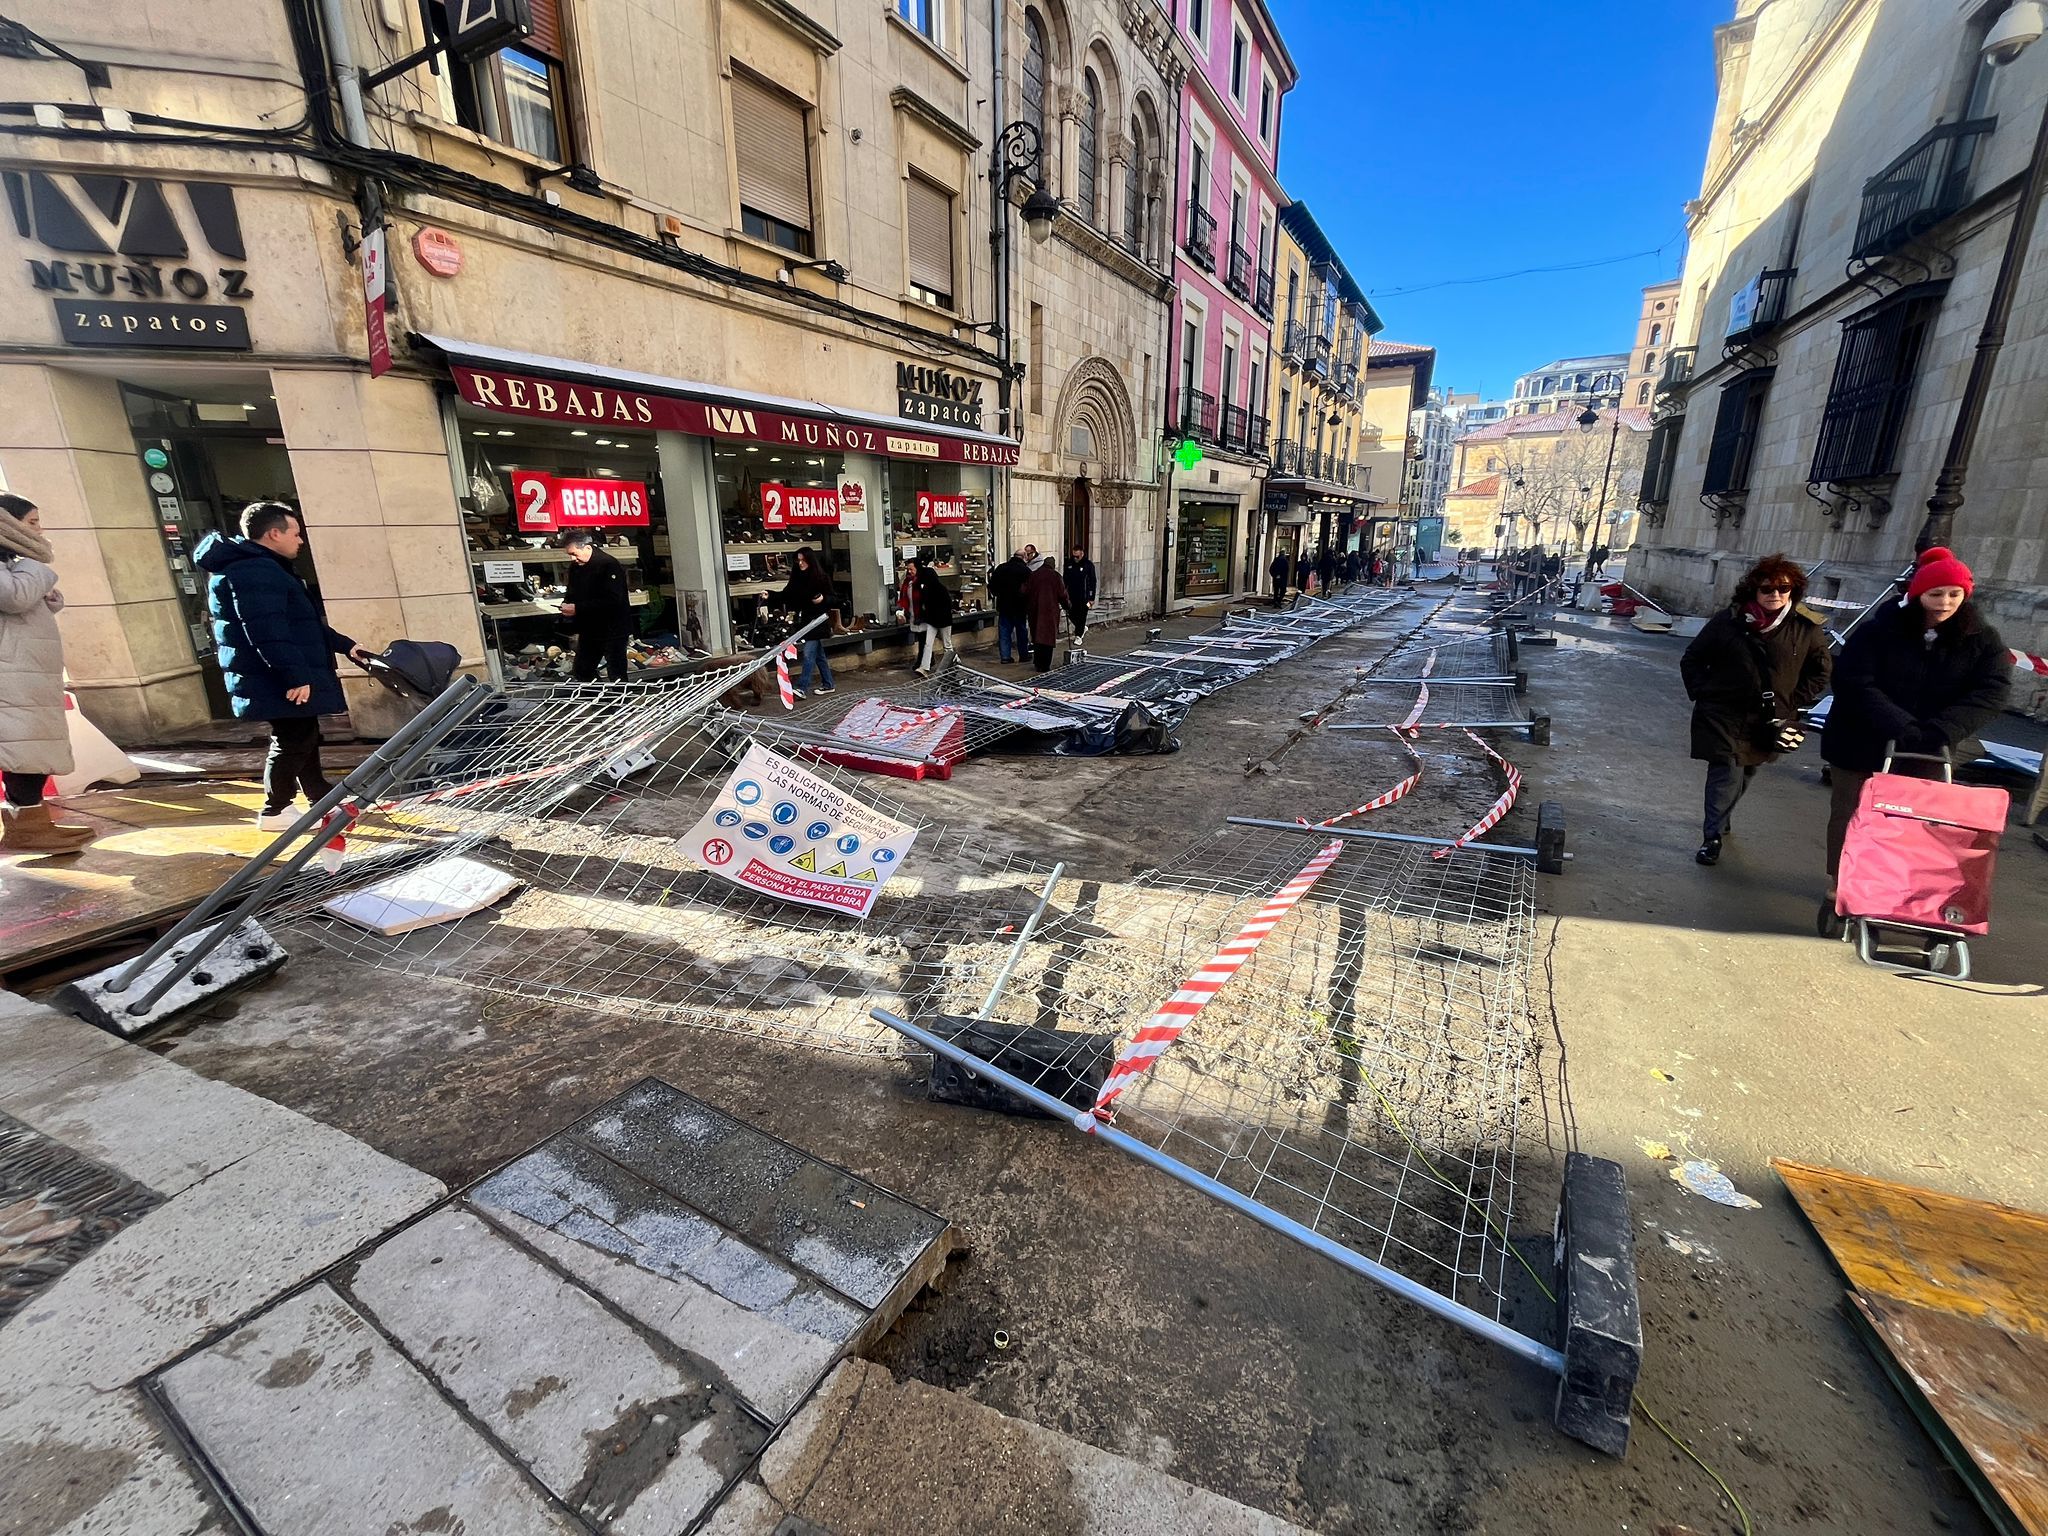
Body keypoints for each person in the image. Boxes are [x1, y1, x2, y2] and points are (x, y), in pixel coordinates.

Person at [1820, 546, 2011, 908]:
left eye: (1954, 594)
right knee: (1851, 813)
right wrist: (1898, 722)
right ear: (1918, 594)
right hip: (1862, 738)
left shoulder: (1981, 638)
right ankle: (1841, 879)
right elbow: (1855, 680)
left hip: (1930, 744)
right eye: (1936, 594)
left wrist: (1944, 728)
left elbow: (1992, 689)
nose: (1945, 602)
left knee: (1916, 823)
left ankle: (1893, 885)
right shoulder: (1880, 630)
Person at [196, 501, 370, 832]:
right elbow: (266, 630)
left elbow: (299, 624)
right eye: (295, 533)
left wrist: (347, 646)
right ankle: (276, 809)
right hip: (275, 675)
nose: (300, 541)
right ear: (274, 534)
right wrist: (294, 676)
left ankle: (319, 799)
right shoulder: (253, 571)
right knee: (293, 739)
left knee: (304, 736)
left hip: (274, 672)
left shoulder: (261, 568)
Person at [1679, 553, 1831, 867]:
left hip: (1771, 718)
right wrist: (1704, 692)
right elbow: (1692, 658)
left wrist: (1792, 701)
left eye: (1783, 589)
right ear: (1753, 590)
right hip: (1723, 713)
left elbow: (1821, 671)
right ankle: (1712, 837)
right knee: (1727, 771)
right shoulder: (1729, 620)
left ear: (1793, 591)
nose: (1774, 595)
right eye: (1766, 589)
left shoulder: (1805, 627)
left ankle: (1723, 816)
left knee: (1747, 771)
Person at [0, 493, 96, 854]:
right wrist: (37, 569)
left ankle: (31, 825)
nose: (39, 531)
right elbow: (13, 597)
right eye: (31, 523)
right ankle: (26, 829)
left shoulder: (11, 561)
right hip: (11, 675)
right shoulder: (20, 565)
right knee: (23, 752)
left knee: (30, 751)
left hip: (22, 672)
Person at [559, 530, 632, 683]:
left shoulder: (608, 564)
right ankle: (599, 700)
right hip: (590, 627)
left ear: (586, 547)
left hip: (613, 627)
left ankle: (620, 704)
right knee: (582, 669)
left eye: (574, 553)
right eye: (570, 555)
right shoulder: (575, 567)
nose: (573, 558)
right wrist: (567, 604)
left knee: (616, 671)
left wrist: (578, 608)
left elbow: (614, 600)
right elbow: (572, 590)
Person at [776, 546, 836, 696]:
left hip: (818, 621)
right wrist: (769, 596)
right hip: (806, 621)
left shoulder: (821, 578)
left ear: (810, 560)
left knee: (809, 653)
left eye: (803, 560)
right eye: (798, 560)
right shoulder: (797, 579)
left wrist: (823, 599)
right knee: (818, 655)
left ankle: (802, 686)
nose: (800, 563)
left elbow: (834, 599)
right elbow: (785, 595)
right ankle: (828, 684)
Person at [899, 555, 954, 676]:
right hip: (931, 619)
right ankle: (924, 667)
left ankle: (953, 665)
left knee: (947, 644)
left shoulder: (938, 590)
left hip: (942, 620)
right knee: (927, 643)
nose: (909, 572)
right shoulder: (920, 587)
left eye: (911, 569)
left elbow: (945, 606)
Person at [1023, 549, 1067, 672]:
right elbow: (1062, 594)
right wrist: (1067, 605)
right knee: (1048, 638)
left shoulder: (1034, 575)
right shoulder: (1056, 576)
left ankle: (1038, 663)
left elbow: (1025, 591)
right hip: (1050, 612)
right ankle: (1045, 664)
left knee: (1037, 637)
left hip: (1035, 610)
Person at [991, 548, 1030, 662]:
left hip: (1004, 605)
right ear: (1024, 557)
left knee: (1004, 632)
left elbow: (992, 586)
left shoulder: (1001, 568)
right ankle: (1023, 655)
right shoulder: (1025, 571)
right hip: (1020, 606)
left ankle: (1005, 656)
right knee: (1021, 631)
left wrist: (999, 595)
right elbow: (1029, 589)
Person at [1063, 545, 1097, 641]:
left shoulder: (1088, 565)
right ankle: (1081, 627)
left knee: (1082, 615)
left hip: (1084, 596)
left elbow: (1092, 581)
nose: (1075, 558)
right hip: (1072, 595)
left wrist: (1091, 598)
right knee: (1071, 613)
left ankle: (1078, 635)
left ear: (1082, 554)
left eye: (1077, 557)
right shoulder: (1069, 564)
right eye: (1074, 556)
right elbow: (1065, 579)